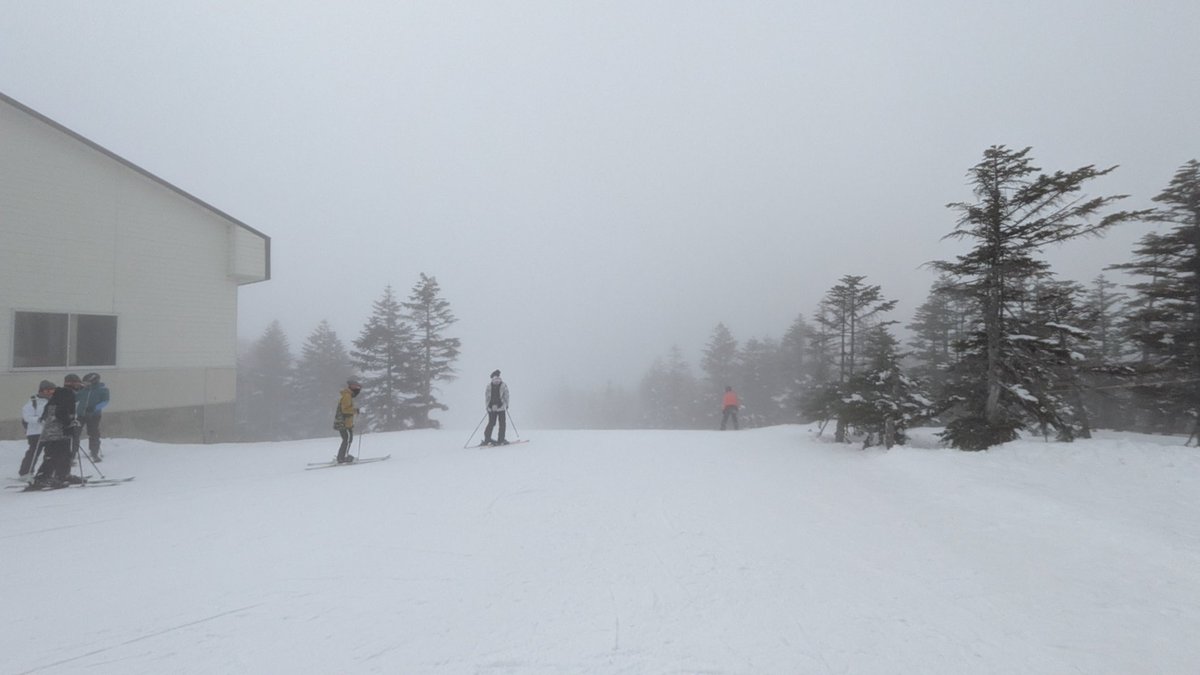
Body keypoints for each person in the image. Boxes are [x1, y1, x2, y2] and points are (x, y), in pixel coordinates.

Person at [32, 373, 84, 488]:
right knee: (54, 454)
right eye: (78, 384)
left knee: (65, 453)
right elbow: (60, 412)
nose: (79, 387)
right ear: (73, 384)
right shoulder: (67, 394)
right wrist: (70, 422)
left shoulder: (60, 394)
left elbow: (48, 412)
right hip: (56, 430)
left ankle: (63, 475)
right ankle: (42, 478)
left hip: (59, 429)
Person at [19, 380, 55, 476]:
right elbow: (27, 417)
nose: (50, 394)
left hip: (50, 432)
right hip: (35, 432)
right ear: (41, 391)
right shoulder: (33, 402)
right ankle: (25, 472)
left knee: (50, 453)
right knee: (34, 452)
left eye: (52, 391)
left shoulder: (53, 401)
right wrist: (39, 420)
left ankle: (46, 472)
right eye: (47, 391)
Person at [76, 372, 110, 462]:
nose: (85, 384)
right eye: (84, 383)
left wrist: (94, 408)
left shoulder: (103, 390)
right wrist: (77, 391)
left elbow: (105, 401)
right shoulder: (84, 390)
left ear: (94, 381)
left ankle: (94, 452)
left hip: (93, 415)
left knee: (93, 433)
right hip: (81, 414)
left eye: (87, 382)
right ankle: (72, 453)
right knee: (75, 432)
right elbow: (76, 398)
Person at [333, 379, 362, 463]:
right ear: (351, 386)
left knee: (347, 438)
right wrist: (356, 411)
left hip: (345, 422)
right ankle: (342, 458)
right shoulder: (347, 396)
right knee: (347, 438)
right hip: (343, 422)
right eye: (356, 386)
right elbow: (345, 410)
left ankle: (342, 457)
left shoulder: (348, 395)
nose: (358, 388)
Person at [482, 369, 509, 446]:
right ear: (492, 379)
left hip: (501, 408)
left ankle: (501, 439)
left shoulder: (503, 385)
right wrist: (488, 407)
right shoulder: (489, 386)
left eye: (498, 379)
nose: (497, 380)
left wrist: (506, 405)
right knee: (491, 423)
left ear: (500, 378)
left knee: (502, 424)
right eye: (495, 379)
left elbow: (506, 396)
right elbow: (487, 397)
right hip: (492, 409)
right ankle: (487, 439)